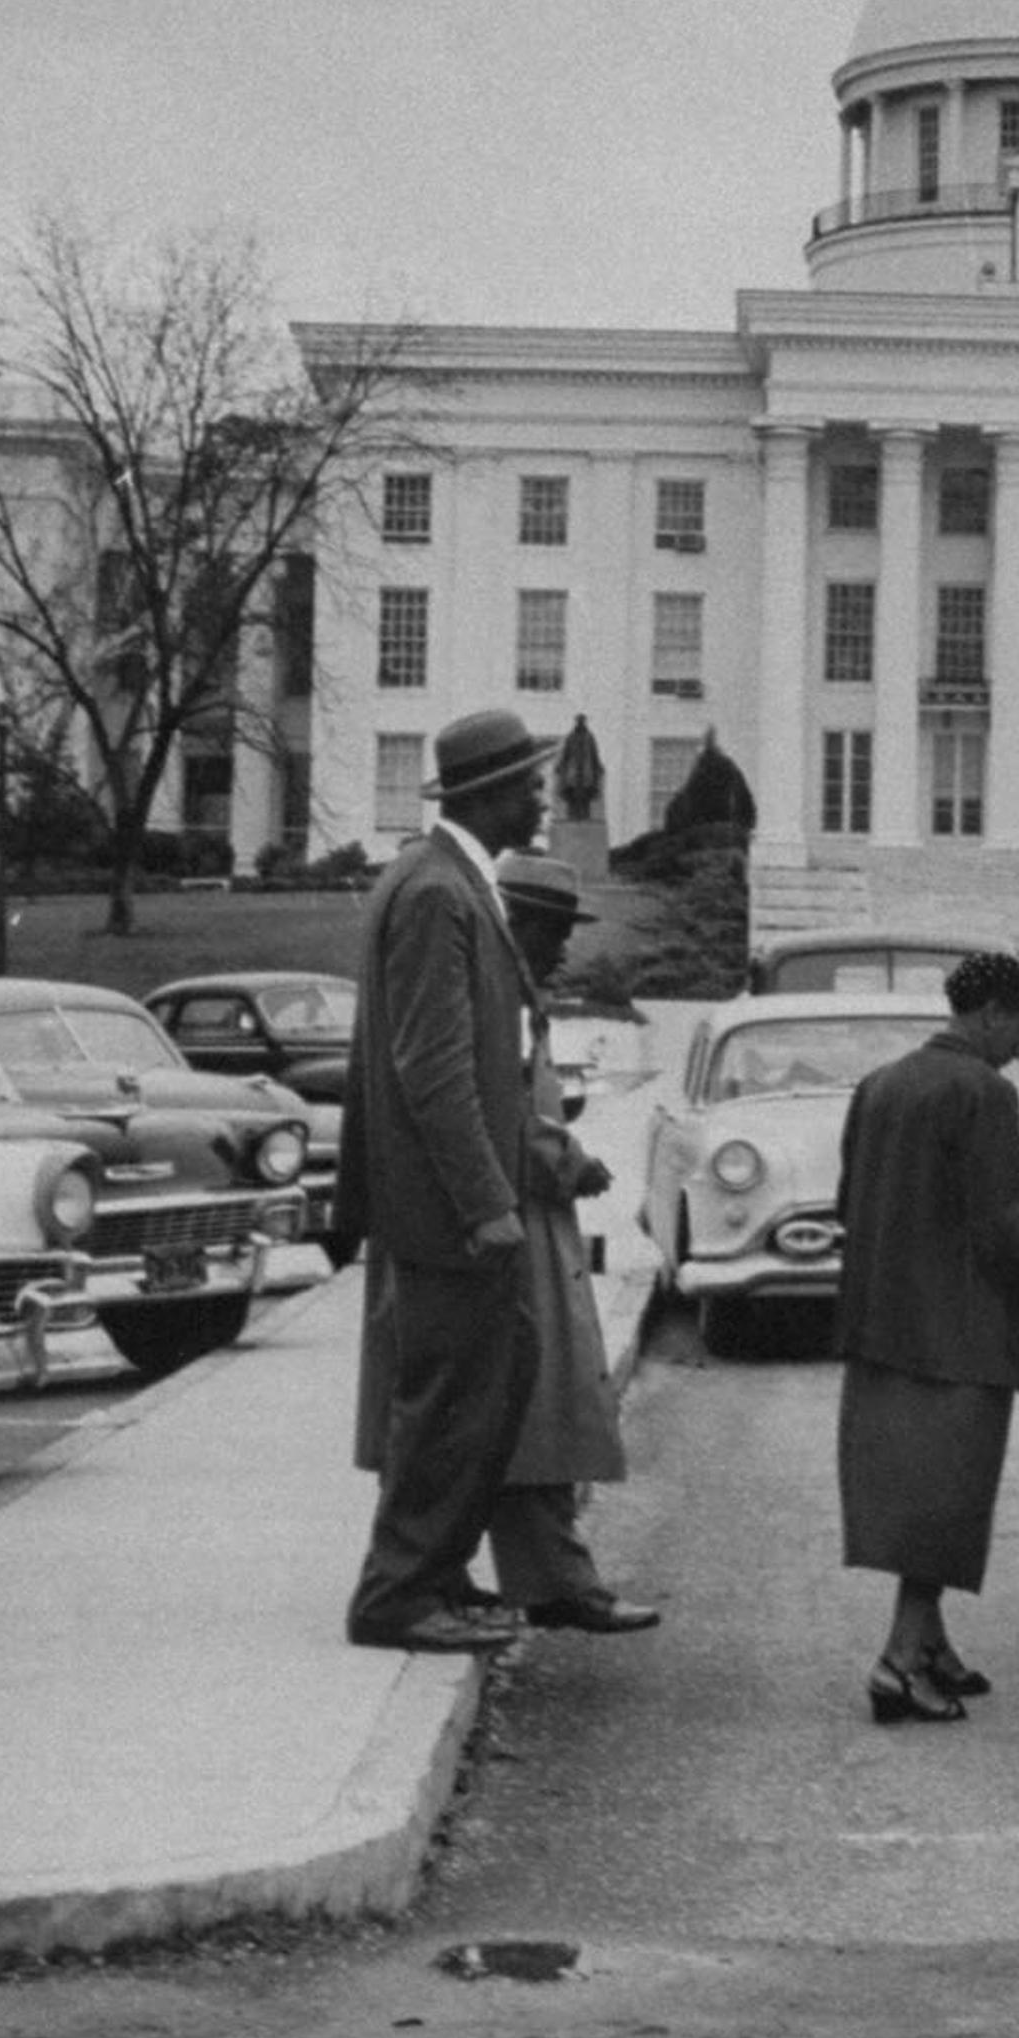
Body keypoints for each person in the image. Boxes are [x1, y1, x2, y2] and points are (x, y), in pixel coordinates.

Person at [334, 708, 658, 1653]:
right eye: (528, 782)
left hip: (446, 1208)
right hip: (450, 1214)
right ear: (487, 796)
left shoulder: (444, 883)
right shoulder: (439, 893)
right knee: (448, 1407)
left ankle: (436, 1579)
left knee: (474, 1402)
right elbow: (430, 1068)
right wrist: (486, 1205)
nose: (544, 795)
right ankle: (397, 1596)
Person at [832, 947, 1019, 1724]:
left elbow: (847, 1202)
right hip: (959, 1328)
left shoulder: (880, 1086)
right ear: (992, 1013)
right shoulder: (983, 1094)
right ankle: (900, 1656)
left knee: (915, 1494)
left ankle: (930, 1644)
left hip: (881, 1320)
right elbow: (1006, 1236)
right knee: (947, 1500)